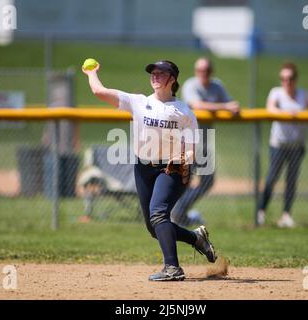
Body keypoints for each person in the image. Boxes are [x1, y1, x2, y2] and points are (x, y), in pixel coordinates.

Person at [82, 59, 217, 281]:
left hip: (171, 168)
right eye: (152, 73)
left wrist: (181, 160)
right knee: (154, 227)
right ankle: (196, 239)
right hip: (143, 168)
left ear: (172, 79)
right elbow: (99, 91)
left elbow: (192, 148)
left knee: (158, 214)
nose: (155, 76)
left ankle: (172, 268)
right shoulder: (138, 102)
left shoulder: (183, 111)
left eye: (161, 73)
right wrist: (91, 73)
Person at [257, 62, 308, 228]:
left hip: (297, 146)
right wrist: (287, 114)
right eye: (283, 78)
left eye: (290, 78)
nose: (286, 81)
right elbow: (270, 108)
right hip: (279, 144)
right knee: (271, 179)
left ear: (295, 79)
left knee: (291, 181)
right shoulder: (276, 93)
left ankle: (286, 215)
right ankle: (260, 212)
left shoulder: (302, 94)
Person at [171, 57, 240, 226]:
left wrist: (234, 107)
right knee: (184, 181)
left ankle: (179, 212)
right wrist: (224, 107)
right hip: (187, 141)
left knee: (207, 181)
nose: (203, 73)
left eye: (206, 70)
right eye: (200, 70)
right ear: (196, 72)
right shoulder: (190, 85)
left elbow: (229, 102)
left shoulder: (216, 85)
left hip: (204, 142)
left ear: (211, 71)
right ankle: (176, 213)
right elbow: (196, 105)